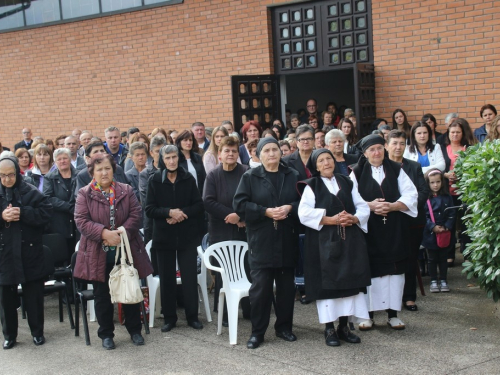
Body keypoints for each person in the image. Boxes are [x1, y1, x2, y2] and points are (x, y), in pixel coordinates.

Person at [74, 154, 153, 350]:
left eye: (107, 168)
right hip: (98, 252)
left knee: (129, 291)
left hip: (125, 249)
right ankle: (106, 334)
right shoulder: (85, 193)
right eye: (99, 169)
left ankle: (135, 331)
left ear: (113, 170)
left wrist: (120, 232)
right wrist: (103, 234)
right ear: (92, 172)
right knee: (102, 296)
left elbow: (136, 214)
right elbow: (81, 221)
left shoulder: (126, 190)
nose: (104, 172)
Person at [297, 149, 371, 347]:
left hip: (349, 241)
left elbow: (362, 205)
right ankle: (329, 329)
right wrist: (330, 219)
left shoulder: (347, 181)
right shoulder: (311, 185)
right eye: (321, 160)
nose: (326, 162)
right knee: (327, 287)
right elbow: (303, 213)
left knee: (348, 283)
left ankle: (344, 327)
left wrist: (354, 218)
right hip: (323, 243)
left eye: (328, 158)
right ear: (316, 166)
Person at [233, 137, 300, 349]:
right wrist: (264, 211)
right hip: (261, 240)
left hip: (286, 237)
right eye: (267, 150)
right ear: (259, 155)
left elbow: (305, 202)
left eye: (275, 150)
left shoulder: (292, 175)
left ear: (281, 153)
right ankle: (257, 332)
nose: (272, 153)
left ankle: (284, 328)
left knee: (286, 288)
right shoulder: (250, 176)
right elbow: (240, 205)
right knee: (260, 289)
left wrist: (289, 208)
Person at [351, 135, 418, 330]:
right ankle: (367, 316)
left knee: (394, 273)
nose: (377, 152)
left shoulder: (397, 169)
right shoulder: (355, 172)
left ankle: (393, 315)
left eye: (380, 148)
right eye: (372, 149)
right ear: (365, 153)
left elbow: (411, 194)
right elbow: (350, 199)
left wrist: (394, 206)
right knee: (370, 272)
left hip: (394, 228)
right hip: (368, 230)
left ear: (385, 149)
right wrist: (369, 206)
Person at [145, 145, 205, 333]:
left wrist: (181, 214)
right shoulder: (154, 179)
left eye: (174, 157)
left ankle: (192, 317)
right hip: (164, 236)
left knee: (189, 277)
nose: (171, 161)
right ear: (162, 159)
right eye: (168, 157)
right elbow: (149, 209)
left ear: (179, 158)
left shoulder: (188, 178)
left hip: (187, 236)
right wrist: (168, 213)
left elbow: (198, 205)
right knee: (167, 278)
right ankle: (169, 318)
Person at [0, 156, 52, 349]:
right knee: (5, 297)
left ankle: (37, 332)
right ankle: (9, 335)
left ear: (17, 173)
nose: (7, 180)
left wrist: (23, 213)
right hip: (4, 254)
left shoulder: (29, 190)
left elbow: (46, 213)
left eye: (11, 175)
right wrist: (2, 216)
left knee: (33, 296)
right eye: (3, 176)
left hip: (29, 252)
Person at [202, 135, 250, 325]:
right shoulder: (213, 175)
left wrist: (242, 216)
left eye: (233, 151)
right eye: (226, 151)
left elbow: (253, 198)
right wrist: (231, 216)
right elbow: (207, 201)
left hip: (243, 228)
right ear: (219, 154)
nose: (230, 154)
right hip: (221, 229)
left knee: (245, 267)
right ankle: (225, 314)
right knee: (224, 270)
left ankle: (248, 310)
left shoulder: (246, 172)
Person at [386, 130, 429, 311]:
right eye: (394, 143)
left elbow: (423, 192)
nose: (398, 147)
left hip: (411, 219)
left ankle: (409, 297)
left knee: (410, 257)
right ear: (387, 145)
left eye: (402, 144)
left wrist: (404, 206)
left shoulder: (413, 166)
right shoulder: (381, 166)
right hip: (387, 220)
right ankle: (386, 299)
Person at [442, 118, 475, 266]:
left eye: (458, 132)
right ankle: (450, 255)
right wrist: (446, 174)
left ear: (463, 133)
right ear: (448, 133)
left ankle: (467, 253)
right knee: (449, 223)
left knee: (466, 223)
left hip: (464, 192)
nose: (455, 135)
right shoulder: (442, 149)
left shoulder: (468, 148)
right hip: (447, 192)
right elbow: (438, 168)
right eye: (452, 132)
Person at [422, 169, 456, 293]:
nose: (435, 185)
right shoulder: (425, 198)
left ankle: (443, 279)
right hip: (431, 234)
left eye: (438, 182)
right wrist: (432, 226)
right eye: (432, 182)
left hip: (445, 233)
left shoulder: (447, 197)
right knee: (431, 258)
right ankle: (433, 280)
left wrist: (447, 226)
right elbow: (423, 216)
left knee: (443, 258)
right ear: (427, 183)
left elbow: (452, 213)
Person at [43, 148, 78, 260]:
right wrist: (69, 207)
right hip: (59, 222)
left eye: (65, 158)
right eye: (59, 159)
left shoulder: (79, 175)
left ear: (70, 160)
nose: (62, 161)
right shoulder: (49, 178)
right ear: (55, 162)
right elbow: (48, 198)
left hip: (78, 220)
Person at [139, 136, 167, 249]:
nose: (160, 155)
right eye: (157, 151)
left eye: (163, 151)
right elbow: (146, 201)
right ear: (151, 152)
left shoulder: (175, 172)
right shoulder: (145, 174)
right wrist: (168, 212)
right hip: (153, 223)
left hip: (174, 222)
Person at [175, 130, 206, 195]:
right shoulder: (175, 158)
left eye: (190, 140)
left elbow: (204, 177)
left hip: (199, 195)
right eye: (185, 140)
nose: (188, 142)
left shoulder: (197, 157)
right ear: (179, 142)